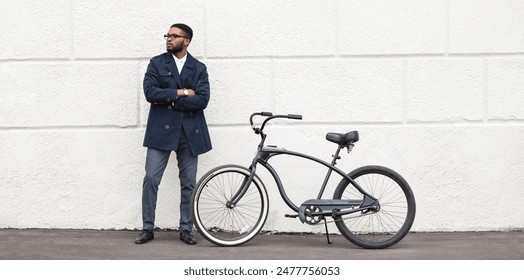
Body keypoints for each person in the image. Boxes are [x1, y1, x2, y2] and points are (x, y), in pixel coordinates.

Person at [135, 23, 212, 245]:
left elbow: (203, 100)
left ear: (186, 41)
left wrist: (168, 98)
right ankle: (147, 228)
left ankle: (186, 228)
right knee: (151, 178)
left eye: (174, 36)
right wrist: (182, 92)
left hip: (189, 133)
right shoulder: (156, 63)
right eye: (167, 35)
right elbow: (150, 93)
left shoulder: (199, 68)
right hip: (161, 131)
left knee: (188, 183)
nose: (168, 39)